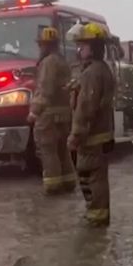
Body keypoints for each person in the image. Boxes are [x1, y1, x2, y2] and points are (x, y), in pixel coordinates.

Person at [67, 22, 116, 228]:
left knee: (91, 175)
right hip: (101, 134)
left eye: (84, 46)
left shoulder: (92, 73)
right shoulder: (100, 69)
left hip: (91, 136)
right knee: (94, 175)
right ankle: (97, 214)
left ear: (94, 48)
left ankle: (97, 217)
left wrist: (75, 135)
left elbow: (86, 107)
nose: (79, 50)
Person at [27, 26, 76, 195]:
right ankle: (69, 181)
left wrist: (35, 111)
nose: (40, 48)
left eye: (41, 45)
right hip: (64, 113)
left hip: (47, 115)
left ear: (45, 45)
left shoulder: (48, 62)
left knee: (48, 149)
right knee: (63, 149)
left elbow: (45, 88)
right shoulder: (62, 61)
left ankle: (53, 185)